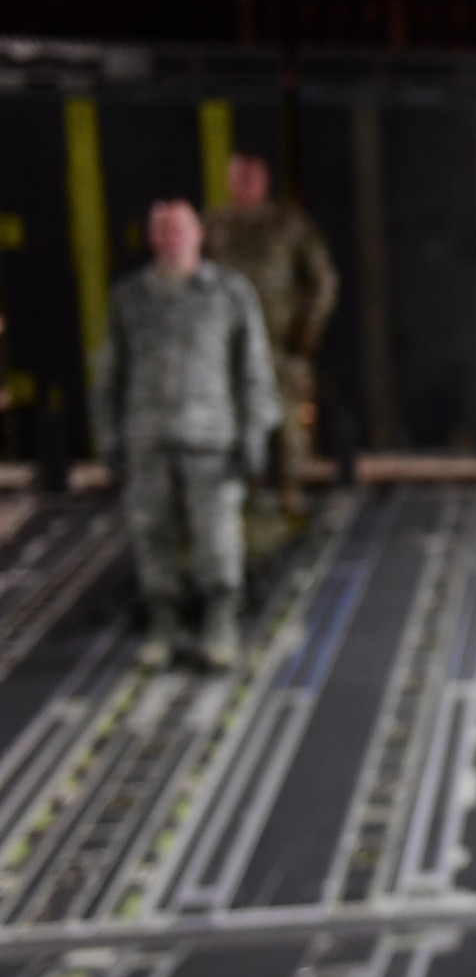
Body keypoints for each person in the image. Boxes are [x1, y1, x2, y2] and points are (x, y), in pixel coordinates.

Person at [93, 200, 280, 669]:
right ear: (153, 238)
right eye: (162, 231)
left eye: (179, 230)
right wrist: (108, 435)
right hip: (148, 439)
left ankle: (220, 623)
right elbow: (110, 373)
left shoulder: (228, 293)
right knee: (151, 535)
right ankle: (164, 624)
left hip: (211, 440)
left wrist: (256, 432)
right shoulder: (130, 297)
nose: (171, 239)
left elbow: (254, 369)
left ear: (198, 234)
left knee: (216, 539)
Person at [203, 152, 338, 516]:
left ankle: (290, 493)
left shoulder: (287, 223)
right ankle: (242, 495)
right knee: (232, 420)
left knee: (288, 420)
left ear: (265, 181)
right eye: (239, 177)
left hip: (279, 341)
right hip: (227, 343)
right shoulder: (214, 225)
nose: (246, 185)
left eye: (252, 177)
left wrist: (307, 329)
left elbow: (323, 279)